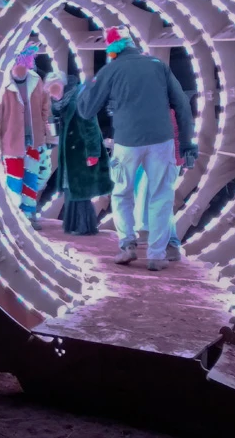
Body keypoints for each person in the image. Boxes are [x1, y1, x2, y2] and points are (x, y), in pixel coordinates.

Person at [77, 26, 197, 270]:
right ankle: (156, 255)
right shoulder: (158, 64)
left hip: (126, 143)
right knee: (161, 196)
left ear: (112, 50)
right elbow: (182, 104)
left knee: (122, 194)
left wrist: (89, 86)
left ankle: (127, 246)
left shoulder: (110, 70)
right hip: (161, 141)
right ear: (133, 43)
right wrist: (186, 142)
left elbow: (87, 110)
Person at [48, 72, 113, 235]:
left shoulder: (77, 100)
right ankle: (74, 224)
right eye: (50, 90)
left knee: (80, 190)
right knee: (73, 188)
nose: (51, 94)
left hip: (80, 151)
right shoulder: (65, 102)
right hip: (73, 152)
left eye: (53, 89)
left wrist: (93, 153)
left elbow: (90, 126)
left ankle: (83, 226)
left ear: (61, 85)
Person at [0, 43, 52, 230]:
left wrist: (41, 128)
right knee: (13, 179)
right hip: (11, 140)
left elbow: (45, 106)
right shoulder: (2, 84)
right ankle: (14, 215)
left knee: (31, 176)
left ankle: (29, 213)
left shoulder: (36, 80)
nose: (24, 67)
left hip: (33, 140)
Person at [135, 109, 186, 258]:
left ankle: (172, 243)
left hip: (167, 159)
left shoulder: (165, 108)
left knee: (161, 200)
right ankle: (148, 232)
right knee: (147, 195)